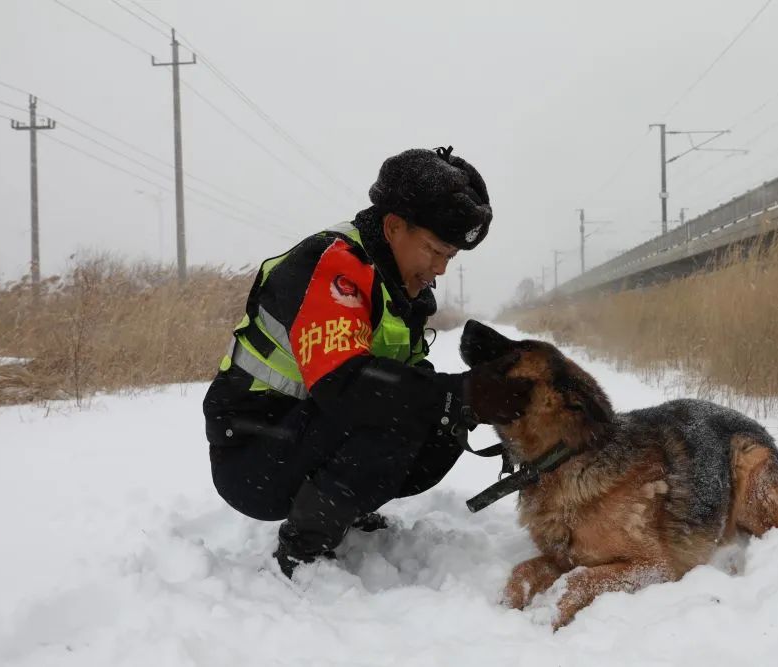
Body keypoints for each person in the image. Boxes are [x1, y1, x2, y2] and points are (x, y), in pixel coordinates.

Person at [203, 146, 533, 578]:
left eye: (449, 258)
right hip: (251, 454)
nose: (440, 269)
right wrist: (459, 393)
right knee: (398, 411)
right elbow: (345, 385)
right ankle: (302, 553)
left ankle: (343, 508)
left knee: (439, 419)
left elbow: (411, 378)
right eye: (434, 251)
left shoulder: (400, 286)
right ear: (394, 226)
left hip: (300, 436)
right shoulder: (333, 267)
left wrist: (466, 403)